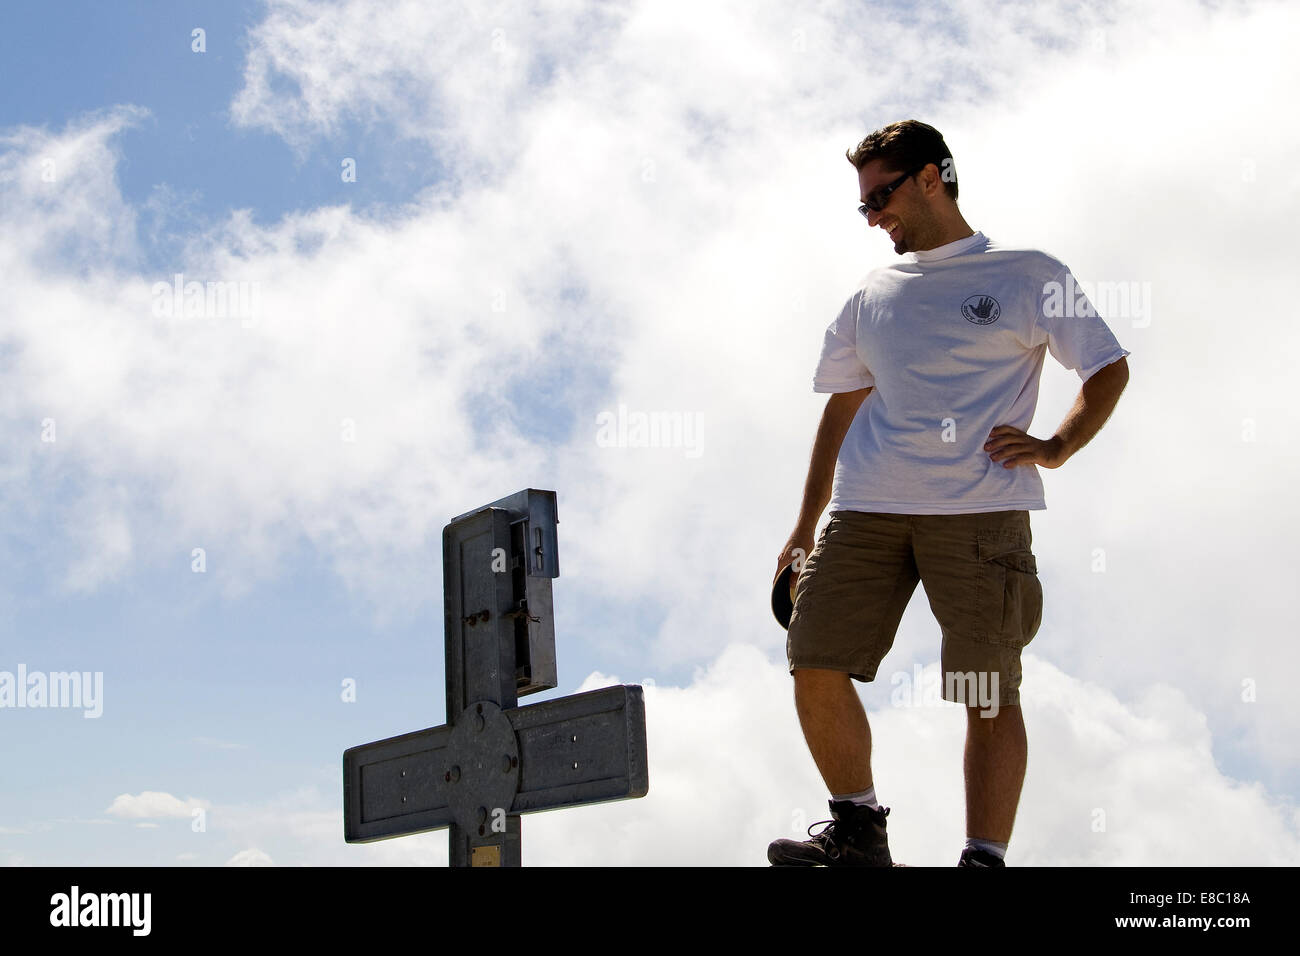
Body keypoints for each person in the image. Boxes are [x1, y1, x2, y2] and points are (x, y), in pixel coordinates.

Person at [767, 120, 1130, 867]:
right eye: (863, 205)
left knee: (983, 692)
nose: (872, 217)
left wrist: (1058, 446)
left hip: (977, 518)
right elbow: (840, 409)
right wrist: (803, 527)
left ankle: (982, 859)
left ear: (931, 178)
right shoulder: (871, 295)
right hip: (865, 511)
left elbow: (1106, 367)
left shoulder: (1026, 274)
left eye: (881, 196)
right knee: (813, 660)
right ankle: (859, 832)